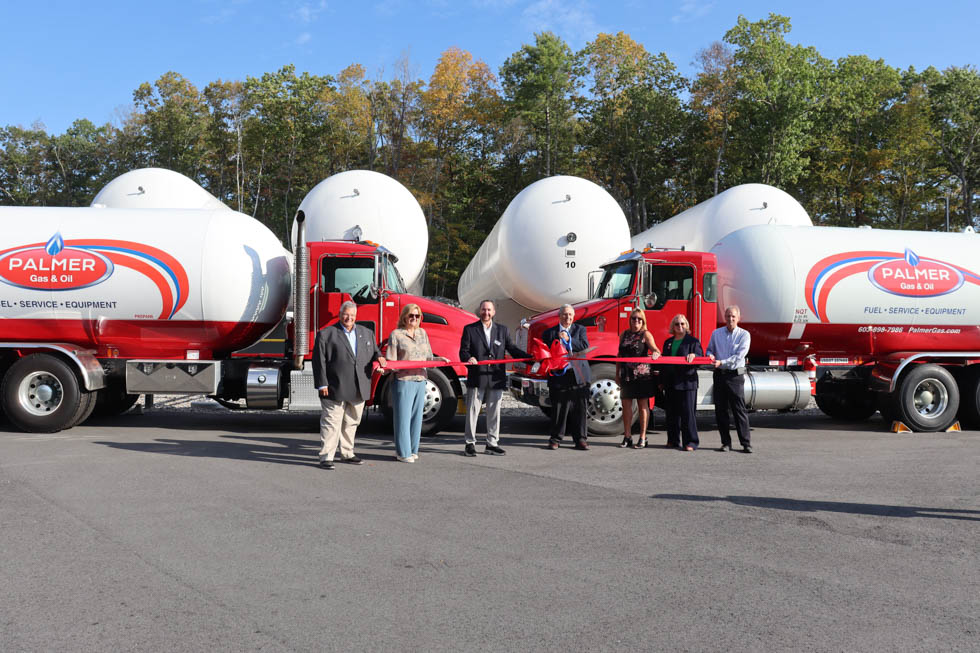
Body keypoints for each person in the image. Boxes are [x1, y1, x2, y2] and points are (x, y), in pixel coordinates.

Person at [312, 300, 386, 469]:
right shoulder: (326, 334)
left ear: (356, 316)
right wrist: (322, 384)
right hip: (334, 385)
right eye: (346, 314)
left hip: (359, 385)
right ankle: (326, 457)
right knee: (332, 422)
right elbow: (319, 362)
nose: (349, 318)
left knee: (352, 422)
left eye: (352, 315)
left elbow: (375, 351)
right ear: (340, 315)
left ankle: (347, 453)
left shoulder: (366, 333)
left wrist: (380, 357)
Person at [458, 299, 530, 456]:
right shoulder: (470, 329)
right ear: (480, 311)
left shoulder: (502, 331)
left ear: (494, 312)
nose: (486, 313)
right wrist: (468, 358)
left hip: (496, 377)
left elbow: (512, 349)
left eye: (489, 310)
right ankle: (470, 443)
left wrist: (529, 358)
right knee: (472, 411)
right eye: (484, 310)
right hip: (477, 376)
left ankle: (492, 443)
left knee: (494, 412)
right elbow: (463, 351)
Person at [386, 304, 449, 463]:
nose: (414, 319)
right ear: (404, 317)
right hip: (403, 381)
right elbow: (391, 361)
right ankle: (403, 453)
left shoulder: (422, 333)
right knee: (403, 418)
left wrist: (438, 359)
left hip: (421, 379)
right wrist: (384, 368)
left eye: (417, 316)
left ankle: (413, 450)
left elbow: (427, 357)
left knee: (416, 418)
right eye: (411, 316)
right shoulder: (396, 335)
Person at [542, 304, 591, 450]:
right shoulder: (549, 333)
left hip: (578, 375)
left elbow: (584, 346)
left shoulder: (580, 330)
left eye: (570, 315)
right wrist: (557, 339)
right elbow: (545, 352)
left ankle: (581, 440)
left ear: (573, 316)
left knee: (580, 408)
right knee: (558, 408)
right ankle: (555, 439)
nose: (567, 317)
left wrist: (568, 339)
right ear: (559, 316)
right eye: (564, 314)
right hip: (558, 376)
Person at [706, 305, 752, 453]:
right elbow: (709, 349)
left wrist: (722, 362)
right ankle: (726, 443)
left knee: (739, 410)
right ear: (724, 318)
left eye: (733, 316)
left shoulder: (744, 335)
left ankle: (746, 443)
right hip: (719, 376)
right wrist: (710, 356)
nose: (730, 319)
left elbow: (739, 357)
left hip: (735, 376)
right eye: (728, 316)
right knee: (721, 411)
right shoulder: (716, 333)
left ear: (738, 318)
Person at [615, 308, 661, 449]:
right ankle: (627, 436)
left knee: (642, 406)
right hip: (627, 375)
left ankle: (642, 437)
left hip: (642, 376)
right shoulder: (624, 334)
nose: (636, 321)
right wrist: (617, 374)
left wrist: (655, 354)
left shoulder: (646, 334)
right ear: (630, 320)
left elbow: (656, 350)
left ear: (643, 321)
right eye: (634, 318)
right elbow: (619, 355)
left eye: (639, 319)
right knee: (626, 406)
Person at [662, 313, 703, 451]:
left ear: (686, 326)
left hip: (687, 383)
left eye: (682, 324)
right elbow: (664, 363)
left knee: (687, 414)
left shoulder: (693, 342)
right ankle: (673, 440)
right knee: (671, 414)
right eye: (677, 324)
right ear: (672, 327)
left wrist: (695, 356)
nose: (679, 326)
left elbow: (700, 359)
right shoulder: (667, 343)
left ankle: (691, 442)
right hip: (671, 383)